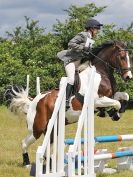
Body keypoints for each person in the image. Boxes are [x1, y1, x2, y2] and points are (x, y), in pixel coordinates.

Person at [57, 19, 103, 109]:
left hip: (79, 63)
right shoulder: (83, 35)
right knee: (71, 79)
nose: (98, 31)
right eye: (97, 29)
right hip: (70, 61)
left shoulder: (90, 39)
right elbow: (71, 43)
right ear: (92, 28)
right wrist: (82, 48)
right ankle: (66, 100)